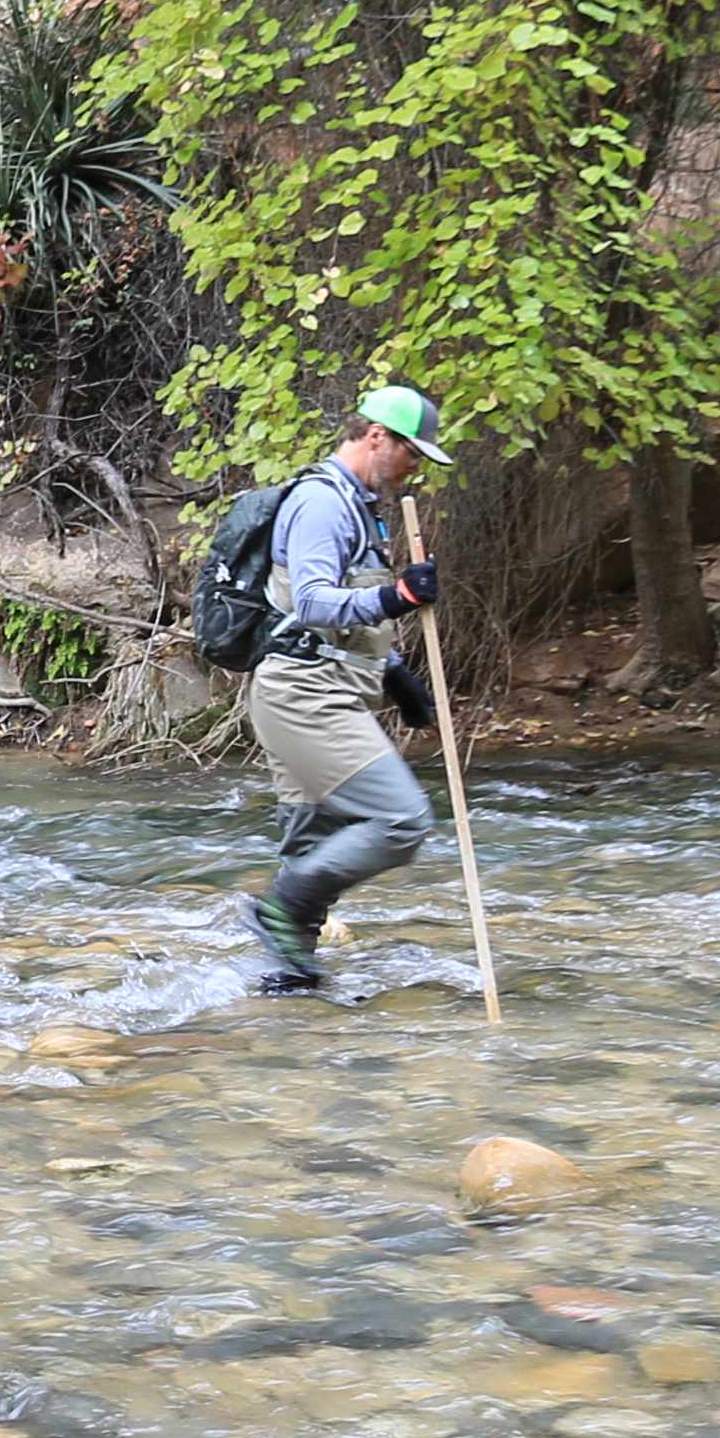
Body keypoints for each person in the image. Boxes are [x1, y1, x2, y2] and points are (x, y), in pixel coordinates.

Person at [243, 383, 453, 997]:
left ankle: (291, 1001)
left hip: (321, 685)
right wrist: (399, 597)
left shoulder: (359, 507)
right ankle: (277, 911)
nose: (415, 465)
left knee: (310, 840)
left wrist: (393, 673)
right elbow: (310, 602)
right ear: (376, 437)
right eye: (412, 451)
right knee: (401, 820)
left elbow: (333, 617)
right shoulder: (322, 503)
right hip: (302, 693)